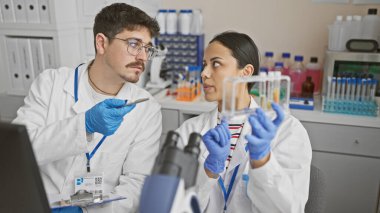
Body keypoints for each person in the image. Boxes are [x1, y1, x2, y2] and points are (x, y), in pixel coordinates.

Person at [12, 3, 162, 213]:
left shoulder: (147, 109)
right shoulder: (51, 84)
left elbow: (136, 185)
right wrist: (84, 125)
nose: (143, 57)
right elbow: (18, 153)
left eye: (147, 48)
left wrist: (85, 212)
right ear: (101, 43)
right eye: (134, 44)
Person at [175, 31, 312, 212]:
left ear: (246, 73)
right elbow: (173, 206)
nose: (204, 73)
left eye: (216, 64)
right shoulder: (190, 131)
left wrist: (263, 161)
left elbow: (290, 209)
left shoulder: (287, 130)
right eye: (204, 65)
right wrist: (208, 172)